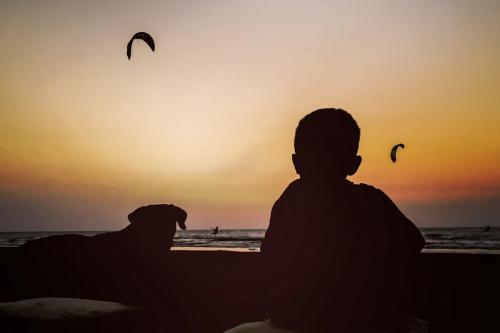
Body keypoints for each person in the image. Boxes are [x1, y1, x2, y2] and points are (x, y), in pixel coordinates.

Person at [253, 108, 425, 333]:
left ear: (297, 163)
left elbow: (268, 253)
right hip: (360, 319)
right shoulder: (371, 200)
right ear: (354, 164)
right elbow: (413, 242)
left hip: (294, 319)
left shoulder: (292, 199)